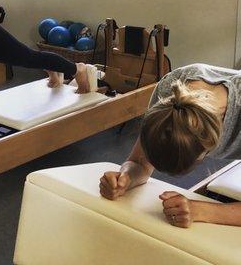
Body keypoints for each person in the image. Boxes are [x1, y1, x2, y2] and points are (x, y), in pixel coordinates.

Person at [99, 64, 241, 228]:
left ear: (209, 145)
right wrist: (125, 178)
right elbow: (140, 163)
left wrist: (200, 210)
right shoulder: (169, 91)